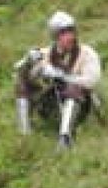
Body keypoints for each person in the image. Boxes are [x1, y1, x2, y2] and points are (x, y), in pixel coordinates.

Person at [13, 11, 102, 150]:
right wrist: (28, 61)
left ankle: (65, 138)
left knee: (73, 88)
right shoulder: (46, 53)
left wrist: (60, 75)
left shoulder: (87, 53)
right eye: (63, 33)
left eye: (71, 31)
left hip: (82, 105)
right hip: (52, 104)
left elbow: (92, 80)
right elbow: (18, 69)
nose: (69, 36)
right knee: (22, 82)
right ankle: (24, 133)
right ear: (55, 36)